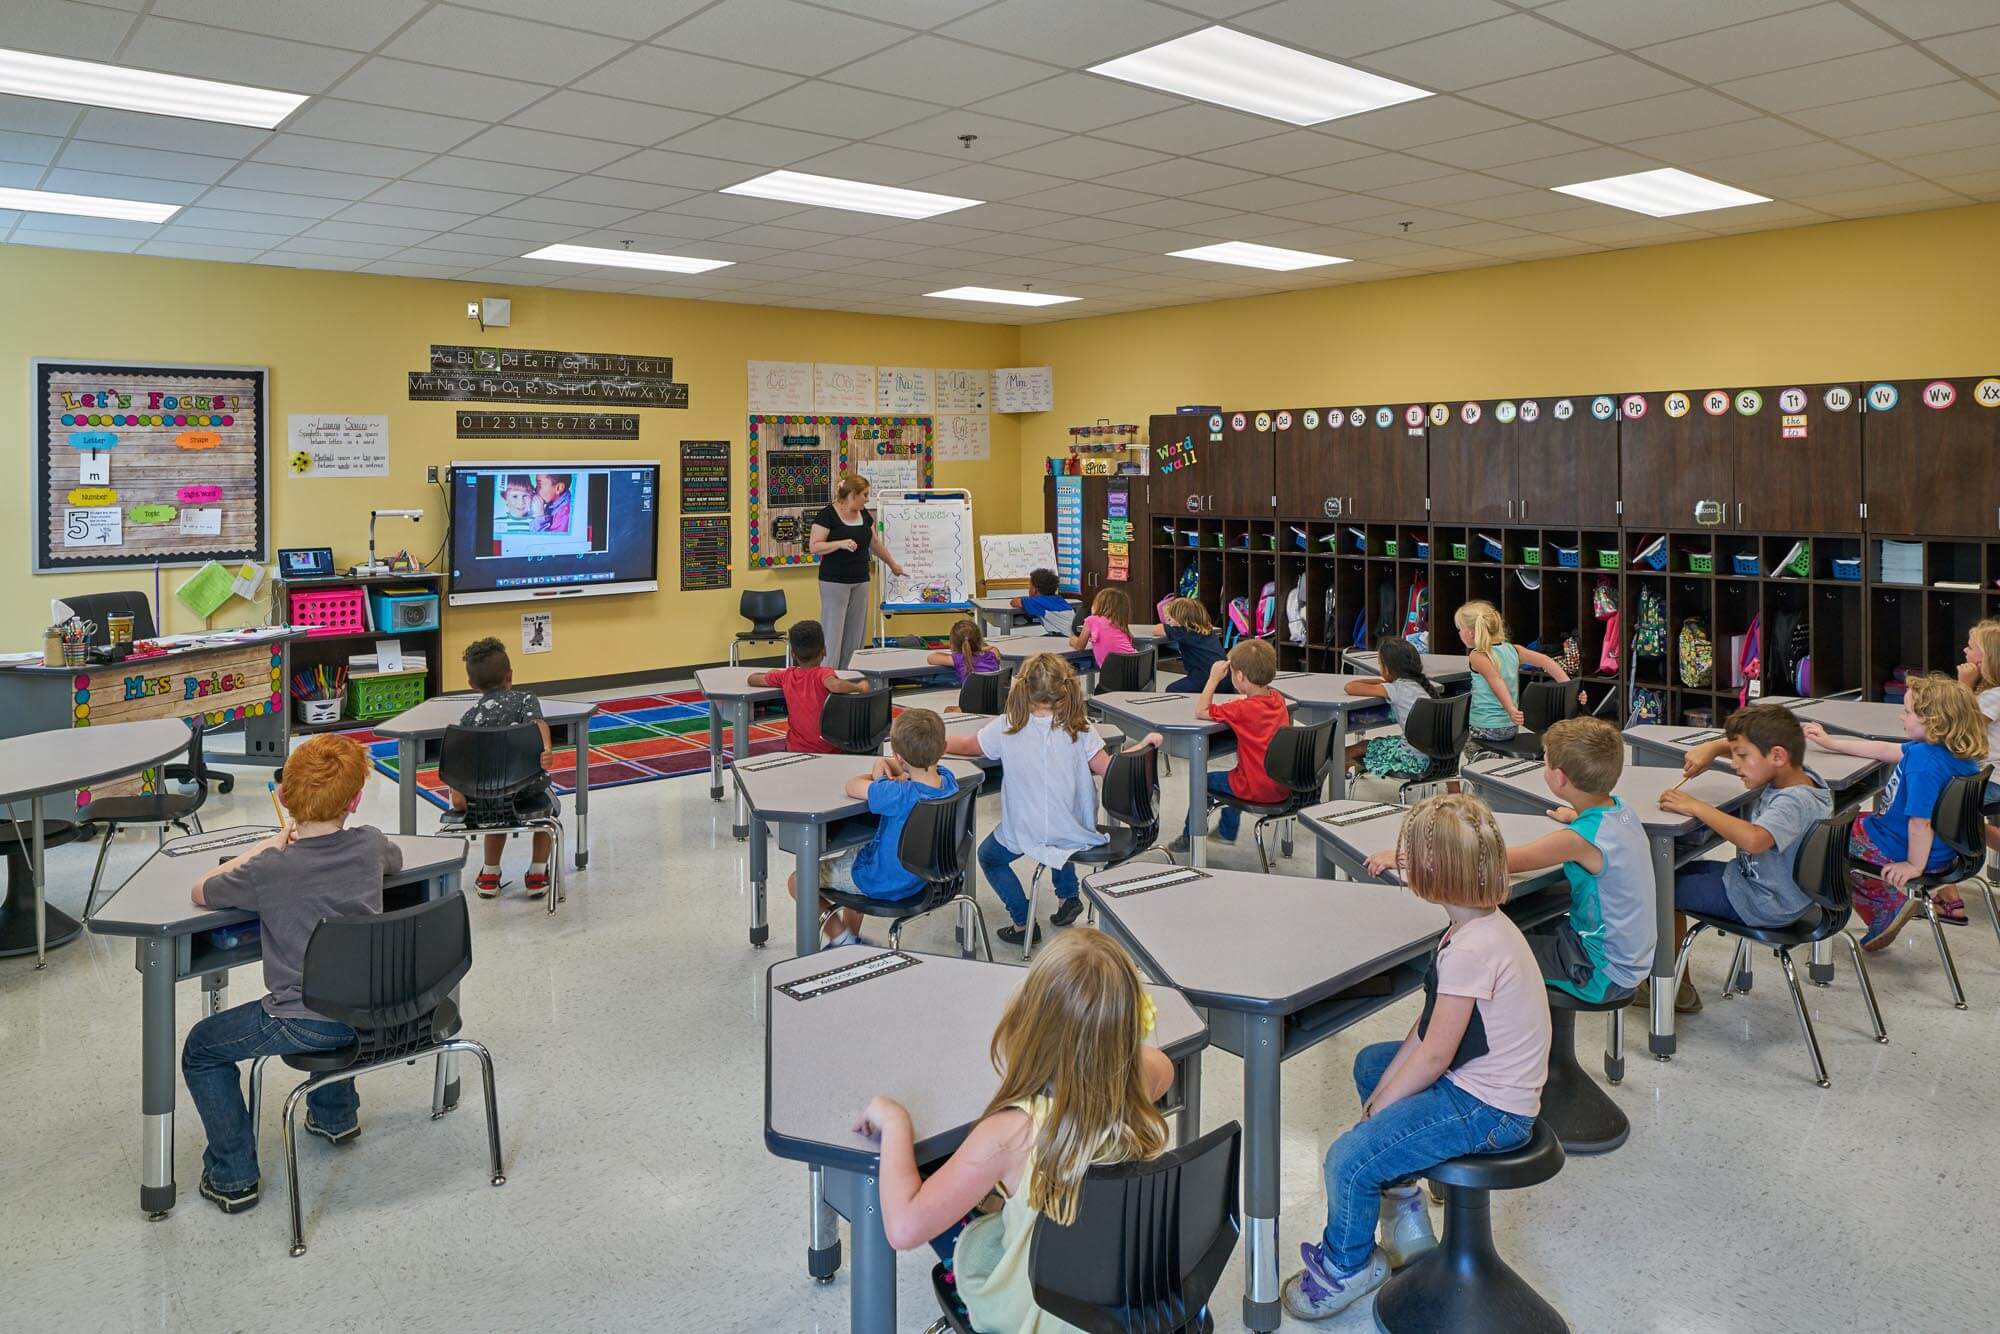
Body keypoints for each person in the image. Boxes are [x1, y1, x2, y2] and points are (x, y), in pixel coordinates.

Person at [1284, 794, 1550, 1320]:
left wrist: (1376, 1114)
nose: (1401, 859)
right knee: (1371, 1065)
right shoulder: (1477, 924)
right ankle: (1404, 1209)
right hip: (1481, 1081)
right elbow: (1429, 1027)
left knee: (1348, 1161)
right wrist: (1381, 1094)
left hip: (1491, 1110)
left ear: (1435, 875)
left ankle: (1347, 1267)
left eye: (1411, 854)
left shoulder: (1471, 949)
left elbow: (1433, 1058)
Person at [853, 929, 1175, 1333]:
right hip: (1117, 1305)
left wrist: (896, 1122)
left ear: (1029, 1022)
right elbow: (1159, 1062)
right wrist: (1114, 1039)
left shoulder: (1010, 1134)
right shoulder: (1140, 1083)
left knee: (939, 1183)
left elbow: (903, 1228)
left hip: (1038, 1318)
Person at [179, 734, 404, 1214]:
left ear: (283, 797)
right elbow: (395, 862)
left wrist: (265, 847)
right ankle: (336, 1117)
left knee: (201, 1049)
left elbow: (202, 890)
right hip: (372, 1006)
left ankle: (233, 1175)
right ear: (357, 799)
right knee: (340, 986)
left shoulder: (271, 868)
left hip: (304, 1020)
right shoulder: (370, 845)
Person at [945, 652, 1163, 948]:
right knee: (1063, 833)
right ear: (1066, 688)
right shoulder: (1080, 725)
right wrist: (1142, 747)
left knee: (989, 857)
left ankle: (1023, 922)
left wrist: (938, 742)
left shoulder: (1008, 725)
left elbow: (971, 746)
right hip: (1075, 828)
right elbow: (1111, 770)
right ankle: (1067, 897)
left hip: (1028, 830)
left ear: (1022, 688)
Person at [1634, 702, 1833, 1011]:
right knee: (1672, 872)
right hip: (1775, 893)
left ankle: (1671, 994)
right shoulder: (1803, 778)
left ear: (1778, 756)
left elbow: (1754, 840)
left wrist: (1696, 806)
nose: (1737, 765)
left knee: (1660, 887)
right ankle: (1675, 982)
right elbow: (1762, 748)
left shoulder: (1792, 803)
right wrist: (1715, 749)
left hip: (1761, 902)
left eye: (1742, 757)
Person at [1804, 674, 1986, 949]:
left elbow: (1920, 823)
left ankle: (1883, 905)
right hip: (1942, 848)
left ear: (1933, 721)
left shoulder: (1924, 765)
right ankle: (1882, 900)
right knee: (1839, 828)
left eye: (1908, 712)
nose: (1902, 717)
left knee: (1821, 840)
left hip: (1902, 846)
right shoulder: (1948, 751)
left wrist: (1914, 866)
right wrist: (1832, 743)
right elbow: (1886, 749)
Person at [1483, 717, 1655, 1005]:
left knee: (1485, 956)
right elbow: (1599, 834)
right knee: (1525, 927)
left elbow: (1497, 860)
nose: (1543, 766)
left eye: (1545, 761)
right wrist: (1576, 816)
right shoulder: (1623, 811)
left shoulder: (1577, 841)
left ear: (1560, 778)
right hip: (1628, 962)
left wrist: (1409, 855)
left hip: (1599, 973)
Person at [786, 708, 957, 947]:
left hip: (879, 880)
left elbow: (852, 786)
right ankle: (852, 938)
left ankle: (842, 938)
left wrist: (879, 770)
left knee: (797, 880)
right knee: (858, 852)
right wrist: (893, 767)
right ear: (943, 747)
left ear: (897, 756)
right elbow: (918, 775)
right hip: (923, 878)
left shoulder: (895, 794)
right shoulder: (950, 781)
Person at [453, 636, 554, 899]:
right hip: (528, 789)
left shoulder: (469, 718)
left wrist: (458, 792)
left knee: (493, 812)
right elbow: (539, 725)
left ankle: (490, 872)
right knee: (548, 811)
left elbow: (460, 758)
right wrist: (547, 750)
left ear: (472, 685)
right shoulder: (525, 700)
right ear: (510, 676)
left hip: (487, 796)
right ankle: (538, 872)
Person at [1170, 638, 1290, 852]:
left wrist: (1214, 678)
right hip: (1282, 785)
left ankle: (1190, 837)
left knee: (1203, 780)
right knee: (1235, 774)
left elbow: (1201, 711)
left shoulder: (1241, 710)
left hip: (1255, 788)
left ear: (1240, 676)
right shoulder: (1277, 698)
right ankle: (1226, 829)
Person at [809, 475, 907, 669]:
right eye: (865, 494)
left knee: (855, 633)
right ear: (853, 495)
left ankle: (849, 674)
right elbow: (814, 546)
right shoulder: (827, 515)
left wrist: (892, 564)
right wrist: (839, 543)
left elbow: (875, 543)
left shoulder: (864, 515)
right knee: (833, 633)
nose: (867, 499)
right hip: (834, 582)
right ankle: (828, 676)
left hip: (860, 579)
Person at [1454, 600, 1569, 743]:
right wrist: (1569, 686)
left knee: (1458, 739)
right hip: (1511, 727)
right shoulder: (1513, 649)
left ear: (1470, 633)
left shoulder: (1478, 655)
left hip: (1486, 727)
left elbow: (1496, 680)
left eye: (1460, 628)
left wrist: (1510, 709)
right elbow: (1547, 661)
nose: (1459, 633)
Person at [747, 620, 868, 754]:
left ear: (793, 654)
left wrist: (771, 673)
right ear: (824, 651)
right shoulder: (823, 673)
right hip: (829, 750)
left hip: (796, 750)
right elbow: (835, 685)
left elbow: (752, 679)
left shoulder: (787, 675)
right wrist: (859, 687)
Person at [1343, 636, 1442, 777]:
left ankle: (1338, 789)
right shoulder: (1425, 686)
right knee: (1369, 744)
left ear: (1387, 669)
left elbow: (1350, 687)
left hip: (1411, 759)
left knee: (1350, 750)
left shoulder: (1396, 688)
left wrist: (1381, 680)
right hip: (1437, 756)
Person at [1140, 597, 1228, 695]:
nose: (1168, 622)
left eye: (1169, 619)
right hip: (1224, 677)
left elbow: (1157, 629)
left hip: (1206, 678)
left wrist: (1168, 627)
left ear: (1179, 620)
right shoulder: (1206, 630)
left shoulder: (1184, 631)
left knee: (1172, 689)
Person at [1066, 586, 1136, 670]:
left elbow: (1079, 646)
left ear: (1099, 606)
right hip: (1134, 667)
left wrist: (1072, 640)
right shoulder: (1120, 624)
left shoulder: (1092, 620)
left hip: (1115, 674)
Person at [929, 618, 1002, 685]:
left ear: (953, 643)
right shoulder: (992, 654)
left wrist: (954, 654)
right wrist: (979, 649)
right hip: (995, 697)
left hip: (969, 698)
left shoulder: (959, 658)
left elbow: (931, 658)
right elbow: (993, 649)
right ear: (980, 639)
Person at [1011, 568, 1074, 636]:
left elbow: (1014, 602)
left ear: (1035, 590)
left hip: (1062, 639)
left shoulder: (1037, 602)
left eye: (1030, 586)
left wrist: (1026, 599)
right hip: (1072, 637)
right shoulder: (1059, 599)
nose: (1029, 588)